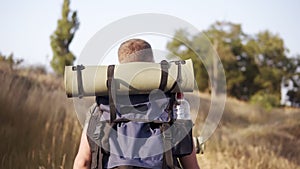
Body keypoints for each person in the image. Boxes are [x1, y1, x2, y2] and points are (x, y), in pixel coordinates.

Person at [73, 39, 200, 169]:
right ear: (152, 64)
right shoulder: (173, 105)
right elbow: (191, 165)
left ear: (121, 66)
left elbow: (83, 162)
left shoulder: (100, 107)